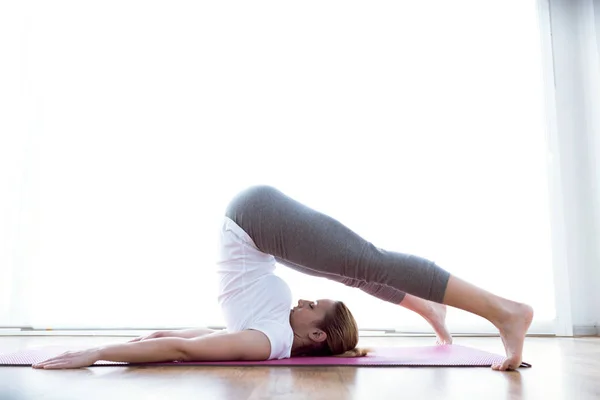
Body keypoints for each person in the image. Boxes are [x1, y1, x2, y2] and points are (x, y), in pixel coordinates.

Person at [32, 185, 533, 371]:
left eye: (315, 307)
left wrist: (100, 352)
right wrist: (115, 349)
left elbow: (182, 344)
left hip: (253, 220)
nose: (309, 299)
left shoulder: (264, 337)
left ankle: (502, 311)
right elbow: (183, 342)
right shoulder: (272, 329)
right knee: (361, 267)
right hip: (255, 221)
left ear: (314, 334)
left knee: (366, 264)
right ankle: (432, 305)